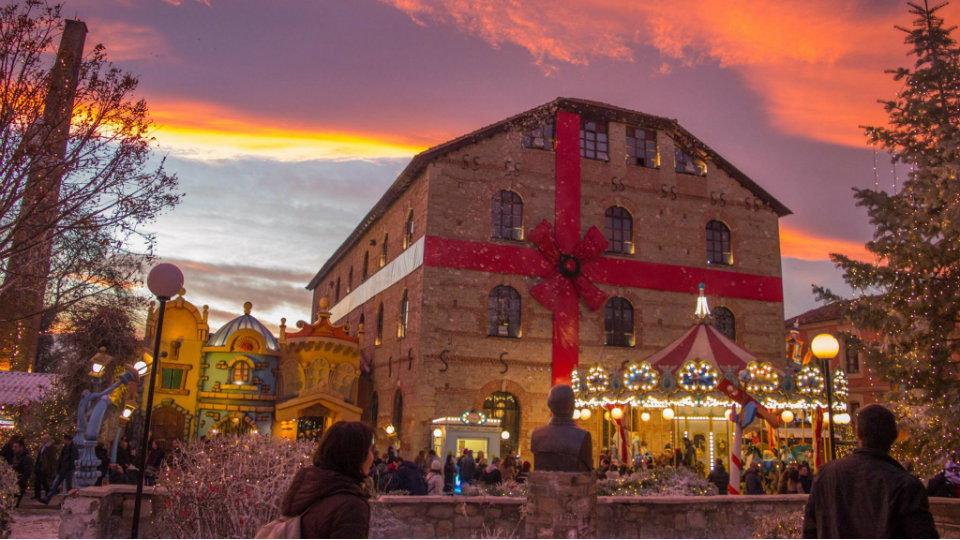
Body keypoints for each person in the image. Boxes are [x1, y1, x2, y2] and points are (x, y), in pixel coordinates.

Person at [802, 404, 938, 538]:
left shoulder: (826, 475)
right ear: (894, 436)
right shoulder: (906, 486)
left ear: (858, 433)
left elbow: (810, 531)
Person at [279, 421, 374, 538]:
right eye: (370, 450)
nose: (372, 457)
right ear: (356, 455)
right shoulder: (350, 506)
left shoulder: (307, 488)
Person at [530, 384, 593, 472]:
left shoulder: (536, 435)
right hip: (572, 485)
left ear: (549, 405)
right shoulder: (583, 436)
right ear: (572, 405)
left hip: (544, 484)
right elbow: (588, 471)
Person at [42, 434, 78, 504]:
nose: (64, 441)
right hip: (63, 469)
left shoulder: (72, 448)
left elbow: (72, 459)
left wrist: (66, 467)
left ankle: (67, 501)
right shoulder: (66, 447)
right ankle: (48, 499)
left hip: (67, 469)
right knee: (57, 484)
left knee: (66, 486)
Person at [9, 437, 33, 507]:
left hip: (19, 484)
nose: (13, 449)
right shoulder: (15, 457)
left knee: (13, 504)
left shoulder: (26, 458)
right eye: (13, 447)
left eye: (15, 447)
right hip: (13, 483)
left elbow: (27, 472)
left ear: (21, 447)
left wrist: (19, 482)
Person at [33, 434, 56, 500]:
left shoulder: (50, 447)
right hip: (40, 465)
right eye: (43, 438)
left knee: (44, 481)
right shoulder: (42, 447)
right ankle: (37, 495)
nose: (43, 440)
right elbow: (39, 456)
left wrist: (49, 468)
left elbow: (51, 459)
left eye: (45, 439)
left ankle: (47, 494)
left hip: (45, 467)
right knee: (37, 481)